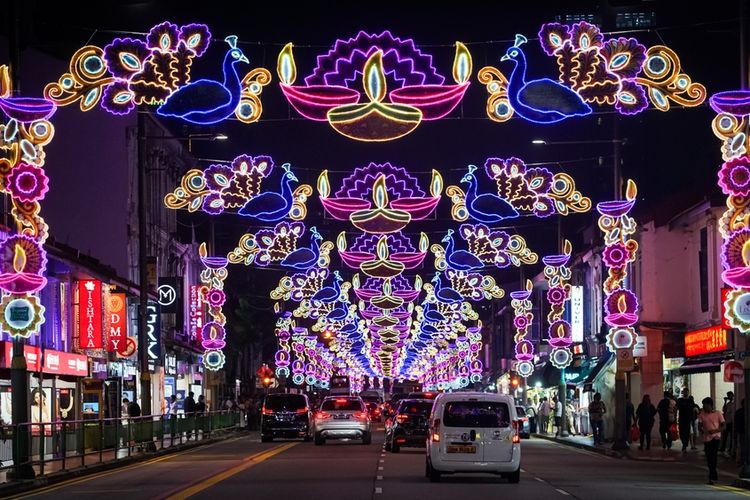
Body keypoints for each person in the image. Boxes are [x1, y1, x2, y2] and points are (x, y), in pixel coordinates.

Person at [698, 397, 726, 485]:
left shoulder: (718, 413)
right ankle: (712, 476)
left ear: (710, 405)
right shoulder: (702, 414)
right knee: (709, 458)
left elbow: (724, 426)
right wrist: (703, 431)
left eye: (705, 405)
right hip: (707, 438)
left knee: (713, 457)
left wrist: (715, 431)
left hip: (716, 437)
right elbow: (700, 426)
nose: (704, 407)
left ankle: (713, 477)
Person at [677, 388, 694, 452]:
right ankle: (684, 443)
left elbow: (693, 408)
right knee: (681, 432)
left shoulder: (690, 400)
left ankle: (685, 445)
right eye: (684, 392)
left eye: (687, 392)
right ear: (683, 392)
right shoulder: (680, 400)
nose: (686, 393)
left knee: (687, 432)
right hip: (681, 418)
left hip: (688, 419)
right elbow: (676, 408)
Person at [736, 399, 746, 467]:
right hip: (742, 431)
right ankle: (743, 460)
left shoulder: (739, 411)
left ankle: (743, 460)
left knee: (743, 447)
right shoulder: (739, 412)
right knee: (743, 447)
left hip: (742, 431)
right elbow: (737, 422)